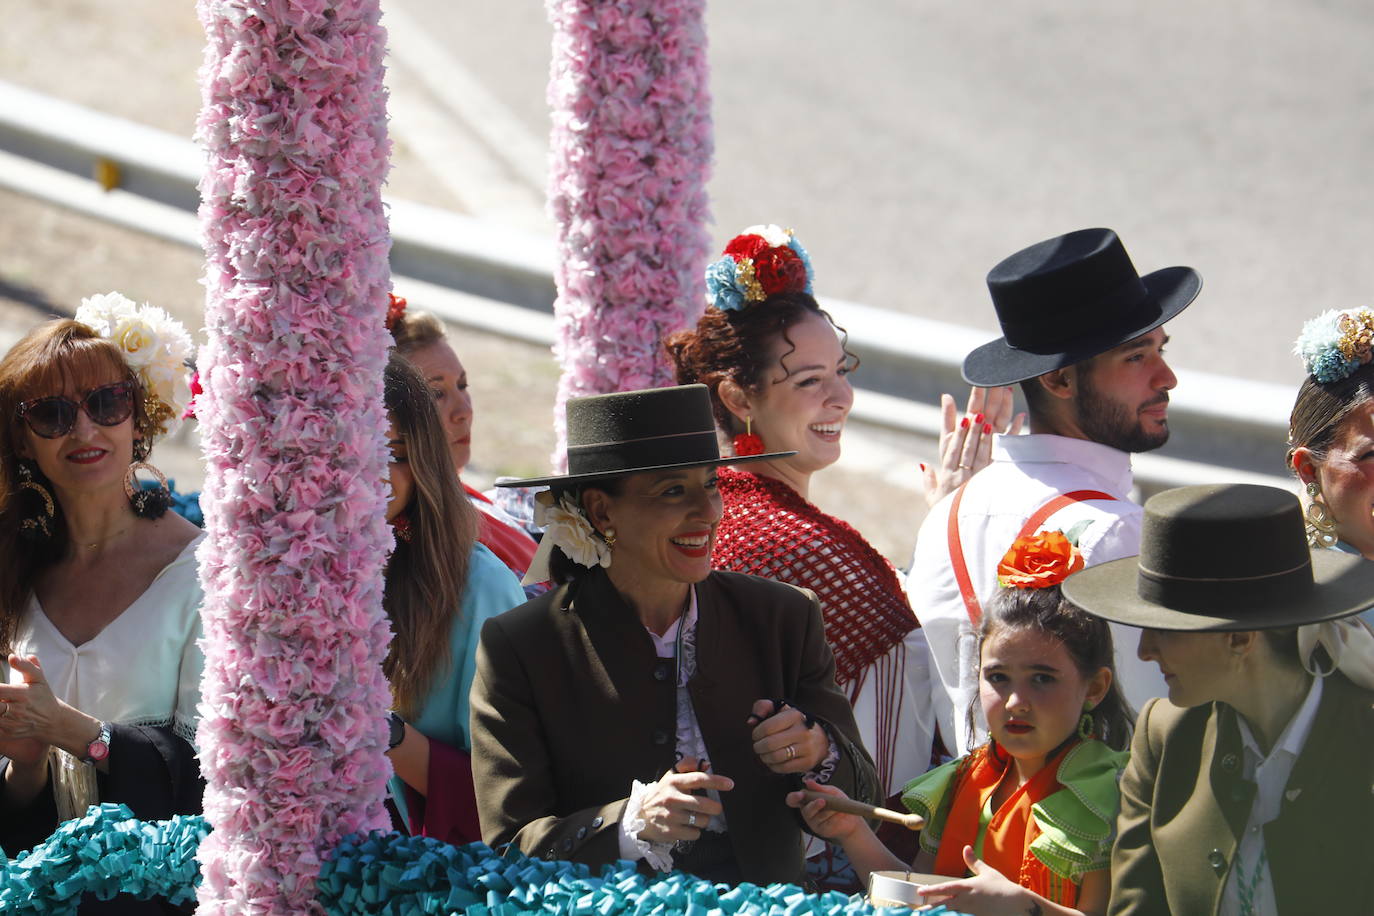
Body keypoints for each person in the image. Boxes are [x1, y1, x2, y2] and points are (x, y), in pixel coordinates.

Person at [469, 383, 876, 885]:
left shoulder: (783, 616)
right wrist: (630, 824)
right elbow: (510, 847)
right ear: (601, 511)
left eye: (710, 484)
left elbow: (865, 790)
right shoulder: (523, 646)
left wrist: (818, 750)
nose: (708, 512)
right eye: (672, 490)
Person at [666, 225, 1012, 806]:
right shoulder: (790, 541)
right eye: (809, 381)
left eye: (841, 371)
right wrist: (955, 524)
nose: (841, 398)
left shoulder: (722, 511)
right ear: (739, 399)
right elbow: (931, 669)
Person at [908, 227, 1198, 754]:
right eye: (1136, 357)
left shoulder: (948, 513)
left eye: (1160, 349)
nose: (1167, 377)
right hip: (1094, 831)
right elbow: (1156, 738)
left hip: (975, 827)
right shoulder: (1118, 533)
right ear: (1060, 381)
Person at [1060, 483, 1374, 914]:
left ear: (1240, 638)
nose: (1144, 651)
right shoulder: (1165, 735)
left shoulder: (1363, 739)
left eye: (1165, 629)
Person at [793, 530, 1132, 915]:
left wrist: (1026, 908)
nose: (1016, 703)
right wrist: (851, 831)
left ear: (1095, 687)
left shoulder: (1113, 796)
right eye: (998, 677)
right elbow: (925, 897)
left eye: (1042, 678)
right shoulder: (966, 779)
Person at [0, 298, 202, 905]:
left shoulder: (204, 571)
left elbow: (215, 773)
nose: (85, 430)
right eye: (53, 414)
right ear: (22, 440)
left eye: (107, 403)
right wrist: (27, 766)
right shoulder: (11, 571)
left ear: (138, 418)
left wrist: (73, 730)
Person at [379, 353, 525, 844]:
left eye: (395, 453)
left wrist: (372, 728)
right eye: (345, 449)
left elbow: (505, 799)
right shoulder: (276, 576)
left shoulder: (479, 587)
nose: (368, 472)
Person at [388, 295, 539, 580]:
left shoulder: (477, 501)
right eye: (437, 393)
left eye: (462, 385)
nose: (464, 411)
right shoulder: (423, 544)